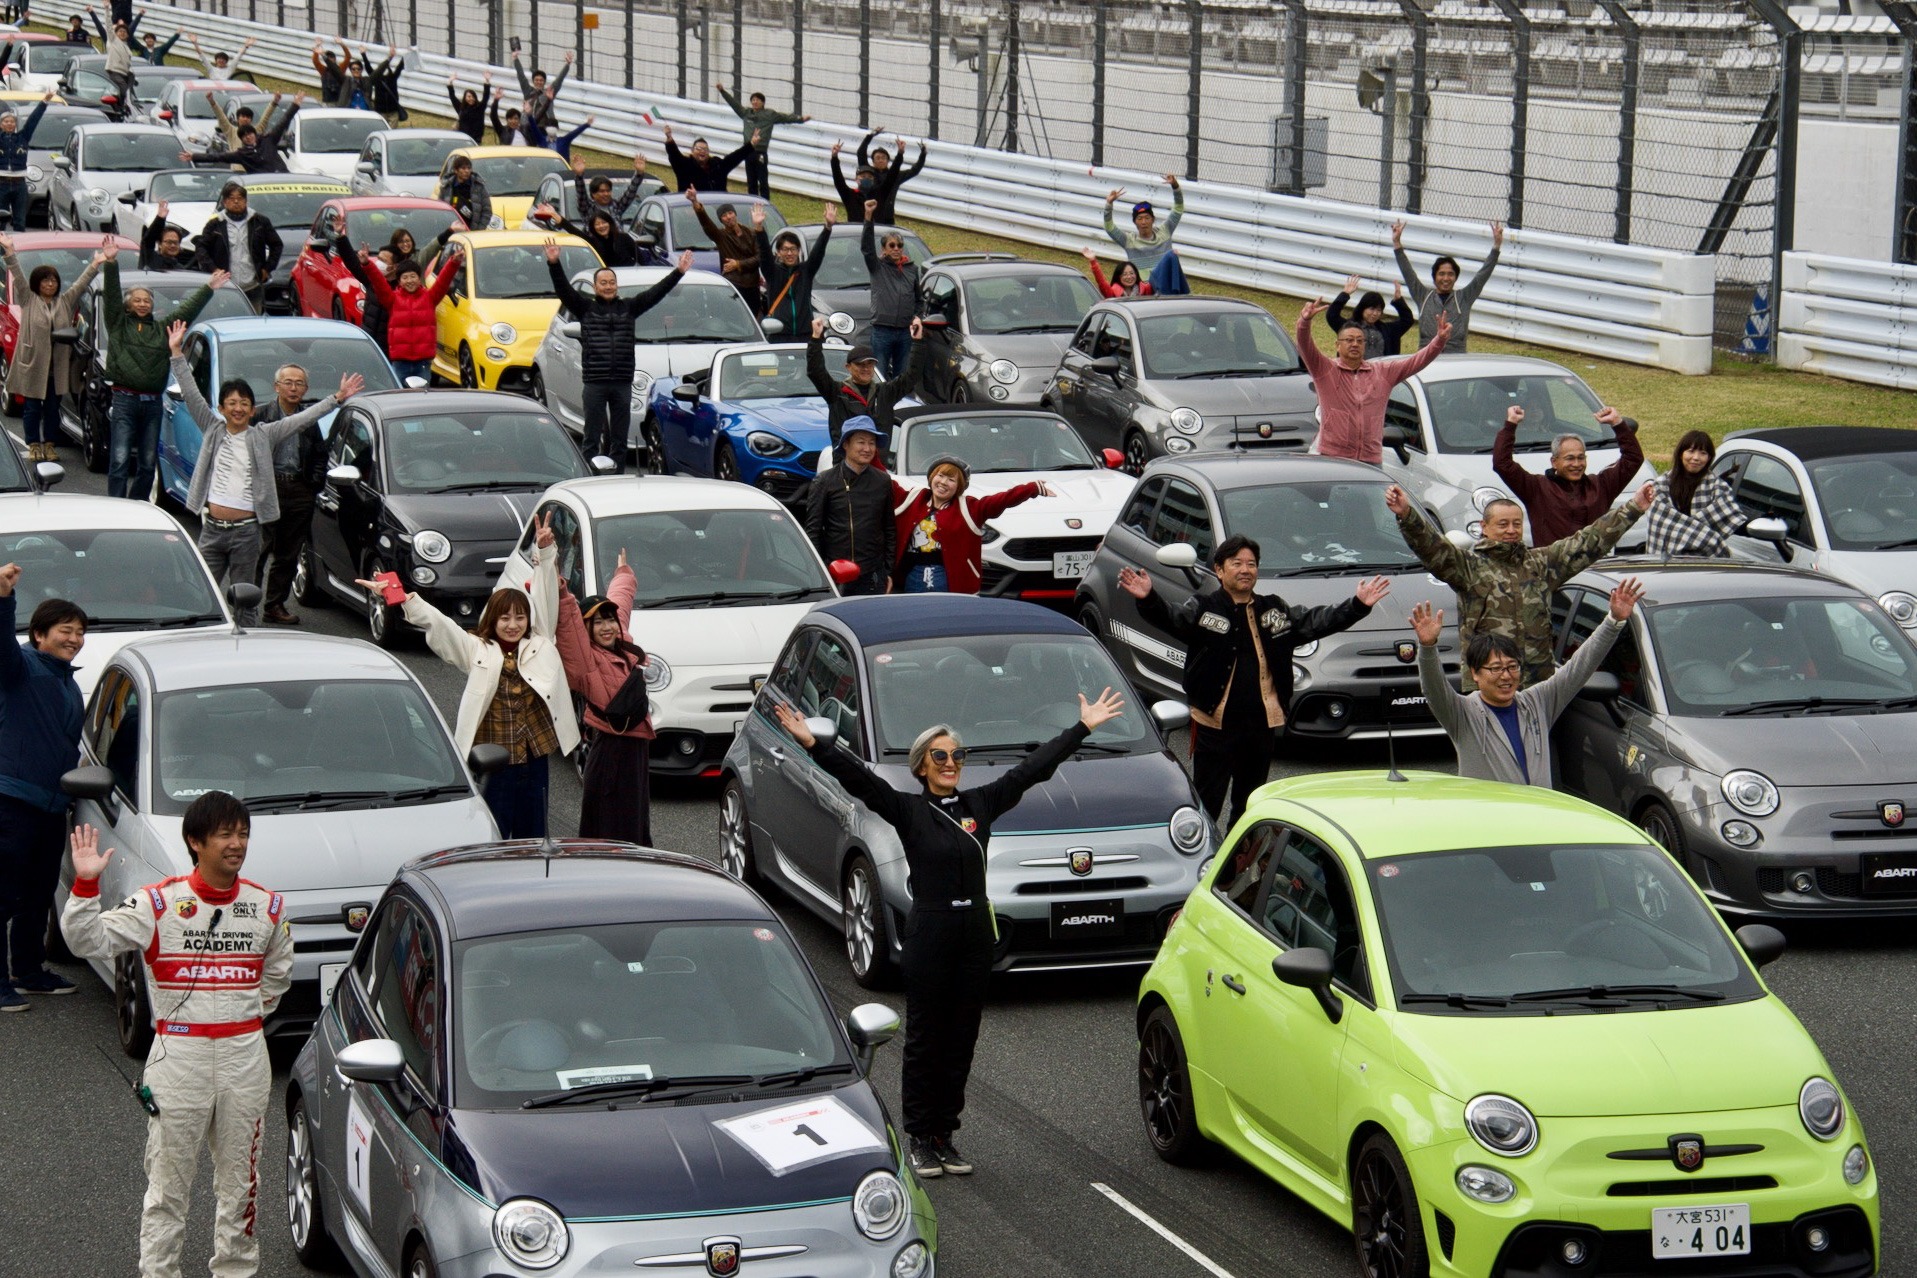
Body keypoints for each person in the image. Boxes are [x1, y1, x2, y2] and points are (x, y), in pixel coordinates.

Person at [771, 687, 1129, 1178]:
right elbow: (855, 777)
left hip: (974, 936)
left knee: (961, 1040)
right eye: (939, 756)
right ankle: (919, 1137)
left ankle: (945, 1136)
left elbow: (1033, 770)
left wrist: (1082, 728)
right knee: (926, 1039)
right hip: (931, 933)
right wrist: (814, 742)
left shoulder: (982, 803)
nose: (950, 763)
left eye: (956, 755)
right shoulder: (909, 810)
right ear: (922, 765)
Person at [61, 799, 294, 1276]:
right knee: (167, 1189)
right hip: (179, 1055)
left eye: (243, 834)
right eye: (226, 835)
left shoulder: (267, 907)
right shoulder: (158, 903)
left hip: (244, 1057)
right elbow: (87, 942)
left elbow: (277, 978)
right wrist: (85, 883)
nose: (237, 844)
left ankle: (235, 1271)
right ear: (195, 842)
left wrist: (239, 1018)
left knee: (242, 1186)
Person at [1118, 537, 1388, 827]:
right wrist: (1148, 598)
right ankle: (1205, 861)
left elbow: (1315, 621)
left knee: (1251, 804)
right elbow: (1172, 617)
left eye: (1251, 564)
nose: (1245, 570)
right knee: (1207, 801)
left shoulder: (1273, 609)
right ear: (1219, 571)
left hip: (1261, 726)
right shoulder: (1205, 608)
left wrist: (1357, 606)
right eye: (1236, 564)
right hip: (1214, 725)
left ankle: (1243, 865)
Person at [365, 515, 578, 837]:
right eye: (504, 618)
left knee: (533, 833)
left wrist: (546, 552)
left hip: (535, 758)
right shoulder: (476, 649)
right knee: (494, 829)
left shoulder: (541, 641)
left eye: (519, 617)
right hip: (494, 763)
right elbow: (440, 625)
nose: (513, 624)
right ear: (492, 620)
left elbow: (546, 595)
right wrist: (397, 594)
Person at [169, 320, 360, 625]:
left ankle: (248, 642)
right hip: (213, 531)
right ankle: (196, 636)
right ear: (220, 407)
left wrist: (336, 398)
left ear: (253, 410)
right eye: (231, 403)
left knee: (244, 599)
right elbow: (192, 394)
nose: (238, 409)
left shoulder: (263, 435)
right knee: (202, 590)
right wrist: (177, 352)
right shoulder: (212, 429)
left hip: (246, 531)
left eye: (244, 403)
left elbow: (303, 418)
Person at [1386, 480, 1653, 689]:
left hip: (1538, 685)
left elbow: (1588, 541)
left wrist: (1634, 508)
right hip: (1487, 686)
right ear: (1484, 527)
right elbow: (1433, 548)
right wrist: (1407, 515)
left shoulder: (1540, 563)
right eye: (1502, 524)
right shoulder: (1468, 566)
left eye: (1516, 523)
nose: (1511, 530)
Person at [1410, 578, 1643, 785]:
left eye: (1512, 667)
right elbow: (1433, 688)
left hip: (1538, 820)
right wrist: (1428, 647)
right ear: (1475, 673)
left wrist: (1613, 621)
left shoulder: (1537, 702)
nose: (1506, 676)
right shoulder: (1462, 713)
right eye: (1496, 669)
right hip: (1488, 826)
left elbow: (1578, 669)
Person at [0, 565, 86, 1012]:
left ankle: (29, 971)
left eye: (79, 633)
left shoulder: (67, 681)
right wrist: (4, 599)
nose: (74, 639)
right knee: (4, 895)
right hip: (12, 800)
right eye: (65, 631)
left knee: (38, 894)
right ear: (38, 635)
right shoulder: (20, 669)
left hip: (52, 806)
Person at [546, 239, 692, 469]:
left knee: (619, 439)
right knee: (592, 437)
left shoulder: (629, 308)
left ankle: (618, 475)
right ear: (595, 287)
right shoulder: (585, 308)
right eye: (603, 283)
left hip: (622, 383)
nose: (608, 286)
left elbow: (657, 292)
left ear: (616, 286)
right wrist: (554, 263)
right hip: (595, 383)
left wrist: (679, 272)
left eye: (611, 282)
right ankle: (589, 475)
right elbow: (564, 291)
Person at [554, 547, 654, 844]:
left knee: (634, 821)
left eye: (609, 620)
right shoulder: (585, 661)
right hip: (611, 751)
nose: (607, 626)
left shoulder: (622, 644)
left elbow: (621, 603)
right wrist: (559, 586)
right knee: (609, 825)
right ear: (587, 628)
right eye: (598, 622)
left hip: (636, 750)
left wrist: (623, 574)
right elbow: (569, 622)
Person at [104, 248, 221, 500]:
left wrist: (209, 288)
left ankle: (137, 504)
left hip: (153, 403)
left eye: (147, 300)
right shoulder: (118, 324)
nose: (143, 303)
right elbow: (111, 296)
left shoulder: (160, 329)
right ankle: (115, 504)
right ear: (128, 305)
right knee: (120, 458)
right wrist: (111, 263)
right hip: (124, 399)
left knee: (148, 462)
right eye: (137, 299)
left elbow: (187, 311)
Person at [1294, 299, 1449, 463]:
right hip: (1334, 459)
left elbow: (1416, 362)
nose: (1355, 344)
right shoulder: (1326, 370)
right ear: (1337, 345)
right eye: (1349, 340)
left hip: (1371, 460)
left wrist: (1439, 341)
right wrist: (1305, 322)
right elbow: (1305, 346)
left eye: (1360, 341)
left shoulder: (1382, 372)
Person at [1, 232, 103, 463]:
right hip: (33, 365)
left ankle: (49, 444)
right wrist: (9, 251)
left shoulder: (65, 302)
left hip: (56, 368)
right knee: (31, 409)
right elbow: (17, 274)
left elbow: (81, 283)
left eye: (54, 280)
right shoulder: (28, 299)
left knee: (52, 409)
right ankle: (33, 444)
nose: (50, 284)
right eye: (45, 280)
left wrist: (96, 263)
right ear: (38, 283)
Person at [1491, 403, 1646, 546]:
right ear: (1554, 462)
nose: (1577, 464)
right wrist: (1510, 425)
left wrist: (1618, 424)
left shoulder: (1601, 486)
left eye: (1581, 458)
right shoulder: (1536, 488)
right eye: (1569, 458)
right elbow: (1502, 464)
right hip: (1553, 570)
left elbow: (1633, 459)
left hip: (1595, 568)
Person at [890, 457, 1052, 593]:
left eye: (951, 480)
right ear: (932, 477)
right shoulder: (912, 499)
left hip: (948, 579)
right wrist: (869, 451)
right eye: (940, 475)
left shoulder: (971, 508)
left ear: (959, 487)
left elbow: (1002, 500)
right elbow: (884, 480)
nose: (944, 482)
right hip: (911, 575)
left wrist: (1032, 488)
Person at [253, 364, 326, 627]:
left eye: (299, 383)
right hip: (267, 488)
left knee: (288, 553)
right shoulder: (261, 415)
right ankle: (246, 605)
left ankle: (274, 605)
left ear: (306, 389)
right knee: (258, 551)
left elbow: (320, 454)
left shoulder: (308, 419)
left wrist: (312, 485)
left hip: (298, 489)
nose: (293, 388)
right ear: (276, 386)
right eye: (288, 382)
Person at [342, 234, 461, 382]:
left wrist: (453, 262)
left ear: (419, 278)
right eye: (405, 278)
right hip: (399, 362)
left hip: (423, 363)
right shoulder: (392, 299)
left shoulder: (430, 298)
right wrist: (367, 264)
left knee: (421, 397)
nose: (409, 281)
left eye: (413, 277)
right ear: (399, 281)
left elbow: (444, 281)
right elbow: (378, 283)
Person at [806, 414, 896, 595]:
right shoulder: (824, 481)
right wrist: (821, 571)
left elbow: (889, 528)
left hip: (872, 574)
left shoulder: (883, 481)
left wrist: (887, 570)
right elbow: (813, 531)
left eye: (872, 443)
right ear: (846, 444)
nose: (867, 448)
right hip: (835, 574)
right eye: (861, 442)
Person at [807, 314, 927, 448]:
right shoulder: (837, 393)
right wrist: (816, 339)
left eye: (870, 364)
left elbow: (912, 375)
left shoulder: (885, 392)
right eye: (860, 364)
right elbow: (815, 372)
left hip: (877, 465)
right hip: (846, 465)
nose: (866, 369)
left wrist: (918, 341)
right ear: (848, 367)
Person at [1393, 218, 1503, 353]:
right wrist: (1397, 243)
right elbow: (1408, 273)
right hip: (1426, 357)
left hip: (1456, 359)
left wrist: (1496, 246)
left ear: (1456, 277)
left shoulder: (1464, 297)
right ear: (1434, 277)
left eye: (1450, 274)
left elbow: (1483, 275)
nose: (1446, 278)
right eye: (1441, 274)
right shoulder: (1423, 296)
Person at [1645, 430, 1749, 558]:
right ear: (1680, 453)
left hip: (1706, 563)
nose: (1696, 458)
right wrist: (1703, 536)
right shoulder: (1660, 486)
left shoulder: (1719, 488)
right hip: (1665, 561)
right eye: (1691, 451)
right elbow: (1659, 522)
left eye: (1703, 453)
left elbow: (1733, 518)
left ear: (1709, 458)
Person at [193, 180, 283, 311]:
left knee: (252, 320)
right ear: (224, 202)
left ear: (245, 201)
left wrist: (267, 268)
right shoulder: (215, 224)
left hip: (252, 285)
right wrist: (213, 269)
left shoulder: (259, 221)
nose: (236, 202)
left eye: (240, 198)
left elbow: (277, 245)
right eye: (231, 198)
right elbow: (201, 248)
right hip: (225, 286)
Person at [716, 81, 809, 200]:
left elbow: (785, 118)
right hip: (747, 151)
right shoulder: (746, 113)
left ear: (763, 102)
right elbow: (734, 104)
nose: (755, 102)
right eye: (753, 100)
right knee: (751, 181)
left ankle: (765, 203)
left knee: (763, 180)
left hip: (760, 152)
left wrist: (800, 119)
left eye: (757, 100)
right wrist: (722, 91)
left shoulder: (769, 114)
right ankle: (753, 202)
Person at [757, 202, 832, 341]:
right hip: (779, 334)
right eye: (785, 249)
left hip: (805, 334)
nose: (789, 253)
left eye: (793, 249)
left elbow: (819, 251)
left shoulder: (806, 271)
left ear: (798, 251)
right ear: (778, 252)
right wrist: (759, 228)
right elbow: (764, 254)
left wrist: (827, 227)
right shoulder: (772, 272)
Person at [862, 203, 920, 377]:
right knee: (879, 375)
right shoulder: (878, 267)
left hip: (904, 331)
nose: (896, 249)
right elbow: (866, 248)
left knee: (901, 376)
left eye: (899, 245)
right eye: (892, 245)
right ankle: (879, 404)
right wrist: (868, 218)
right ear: (884, 249)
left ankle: (899, 403)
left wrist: (917, 317)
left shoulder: (911, 269)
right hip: (882, 330)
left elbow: (919, 299)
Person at [689, 190, 759, 313]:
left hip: (753, 286)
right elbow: (707, 224)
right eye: (724, 215)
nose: (728, 217)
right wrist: (695, 202)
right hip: (734, 285)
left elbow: (760, 258)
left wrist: (738, 264)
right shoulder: (721, 236)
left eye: (730, 213)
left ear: (735, 214)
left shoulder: (751, 233)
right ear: (721, 220)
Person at [1103, 176, 1183, 277]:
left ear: (1153, 219)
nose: (1144, 222)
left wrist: (1175, 186)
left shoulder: (1165, 231)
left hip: (1166, 288)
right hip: (1143, 290)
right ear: (1134, 222)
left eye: (1147, 218)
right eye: (1139, 219)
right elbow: (1109, 228)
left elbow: (1178, 209)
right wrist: (1109, 204)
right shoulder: (1129, 241)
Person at [1325, 274, 1415, 357]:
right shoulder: (1348, 327)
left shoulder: (1388, 330)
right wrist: (1345, 294)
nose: (1375, 313)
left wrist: (1398, 301)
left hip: (1380, 371)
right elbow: (1332, 315)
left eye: (1379, 310)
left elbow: (1407, 320)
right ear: (1362, 308)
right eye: (1371, 309)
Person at [0, 94, 54, 232]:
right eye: (6, 121)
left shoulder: (22, 138)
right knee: (1, 221)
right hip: (2, 184)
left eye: (12, 121)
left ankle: (19, 250)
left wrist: (44, 102)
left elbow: (33, 120)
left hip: (19, 184)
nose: (9, 124)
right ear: (1, 124)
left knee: (20, 221)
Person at [853, 129, 926, 224]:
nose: (880, 160)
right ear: (873, 161)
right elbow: (861, 154)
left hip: (888, 217)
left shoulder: (894, 176)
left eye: (883, 158)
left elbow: (914, 170)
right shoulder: (869, 173)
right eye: (878, 158)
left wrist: (923, 155)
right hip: (869, 213)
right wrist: (870, 136)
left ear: (888, 161)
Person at [663, 124, 755, 193]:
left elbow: (734, 158)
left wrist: (751, 145)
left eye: (705, 149)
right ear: (692, 151)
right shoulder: (684, 165)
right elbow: (674, 155)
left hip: (718, 208)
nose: (702, 151)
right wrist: (669, 138)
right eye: (698, 149)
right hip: (690, 209)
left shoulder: (717, 165)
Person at [575, 153, 648, 222]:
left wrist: (639, 173)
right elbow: (581, 194)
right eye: (602, 191)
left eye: (608, 190)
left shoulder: (617, 207)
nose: (606, 194)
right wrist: (579, 175)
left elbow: (631, 191)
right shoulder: (588, 209)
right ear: (593, 194)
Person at [512, 47, 572, 128]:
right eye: (536, 80)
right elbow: (521, 76)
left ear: (544, 82)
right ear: (533, 81)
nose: (539, 82)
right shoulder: (528, 91)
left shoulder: (548, 92)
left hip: (545, 127)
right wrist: (515, 59)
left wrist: (567, 65)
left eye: (541, 80)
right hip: (528, 126)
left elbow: (559, 80)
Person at [207, 90, 281, 151]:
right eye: (243, 116)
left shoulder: (256, 130)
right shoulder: (231, 131)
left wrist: (274, 102)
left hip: (252, 168)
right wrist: (212, 102)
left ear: (251, 120)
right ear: (238, 118)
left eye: (248, 117)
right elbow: (221, 117)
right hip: (237, 168)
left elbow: (266, 117)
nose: (245, 119)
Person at [439, 154, 492, 232]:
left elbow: (487, 211)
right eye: (463, 168)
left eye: (468, 168)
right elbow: (440, 211)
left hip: (473, 232)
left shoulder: (478, 187)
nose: (467, 171)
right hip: (452, 231)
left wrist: (479, 230)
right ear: (456, 170)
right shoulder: (447, 187)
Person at [138, 203, 195, 271]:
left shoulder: (180, 270)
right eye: (169, 242)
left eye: (176, 243)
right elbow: (148, 240)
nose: (173, 245)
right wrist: (160, 219)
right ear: (159, 244)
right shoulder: (150, 258)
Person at [1080, 247, 1151, 298]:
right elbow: (1101, 282)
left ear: (1136, 274)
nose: (1129, 277)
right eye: (1125, 274)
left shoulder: (1146, 290)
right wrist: (1093, 261)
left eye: (1131, 273)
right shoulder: (1113, 293)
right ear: (1119, 277)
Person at [446, 72, 490, 143]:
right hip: (462, 138)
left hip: (475, 140)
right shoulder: (461, 108)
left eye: (473, 97)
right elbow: (452, 97)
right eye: (469, 96)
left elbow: (486, 96)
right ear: (465, 97)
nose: (471, 99)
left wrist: (487, 81)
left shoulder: (480, 108)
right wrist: (450, 82)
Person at [189, 32, 257, 78]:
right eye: (219, 59)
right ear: (216, 61)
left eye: (223, 59)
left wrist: (246, 47)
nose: (221, 61)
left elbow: (238, 57)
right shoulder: (211, 69)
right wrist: (195, 44)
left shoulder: (230, 69)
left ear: (226, 62)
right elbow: (202, 56)